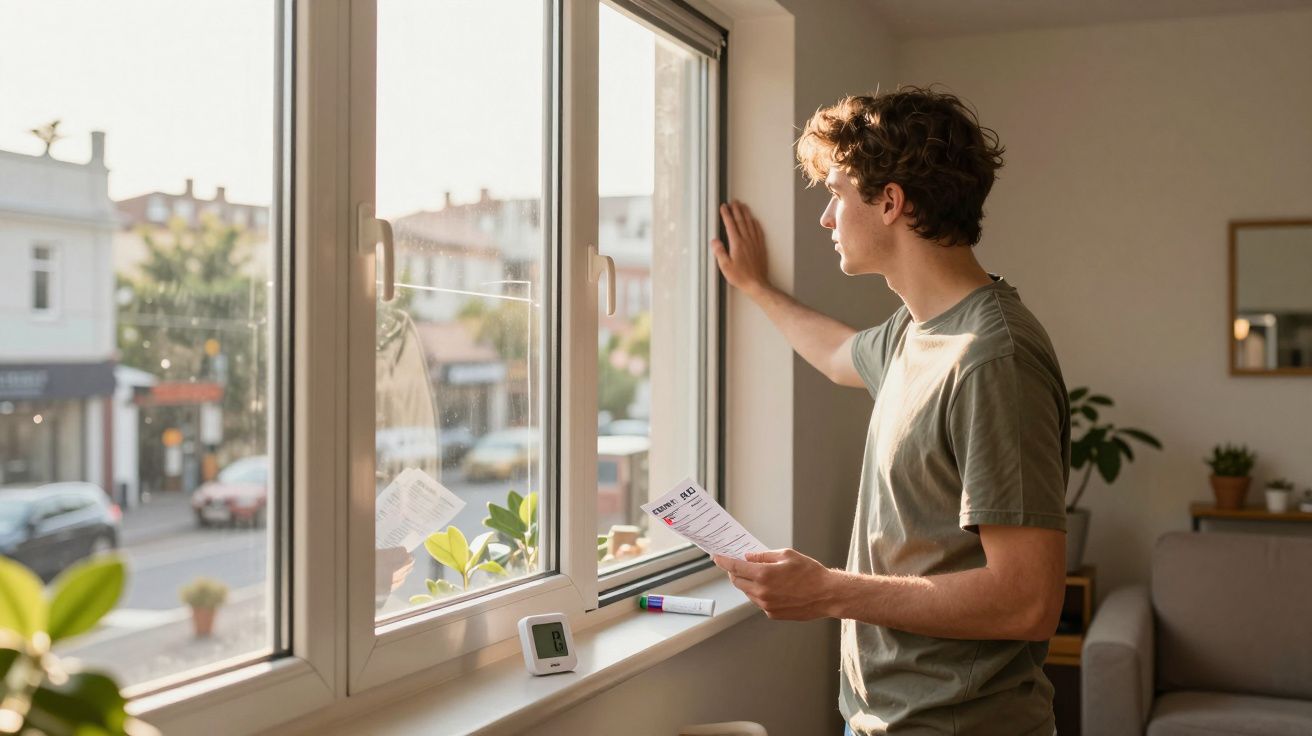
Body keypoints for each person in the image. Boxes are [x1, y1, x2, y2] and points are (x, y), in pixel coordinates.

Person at [710, 86, 1069, 735]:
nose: (825, 218)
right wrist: (756, 288)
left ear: (891, 202)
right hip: (882, 718)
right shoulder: (915, 332)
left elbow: (1028, 601)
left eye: (836, 192)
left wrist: (826, 590)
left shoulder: (992, 357)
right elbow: (837, 353)